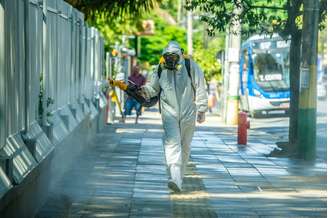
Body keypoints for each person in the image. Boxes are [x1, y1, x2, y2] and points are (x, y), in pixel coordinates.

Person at [140, 41, 208, 192]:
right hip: (168, 111)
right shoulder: (160, 68)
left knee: (184, 146)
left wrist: (202, 109)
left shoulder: (190, 66)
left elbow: (200, 86)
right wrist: (144, 90)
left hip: (188, 111)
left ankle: (178, 178)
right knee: (172, 143)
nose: (170, 60)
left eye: (174, 57)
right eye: (167, 57)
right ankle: (175, 176)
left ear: (180, 56)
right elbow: (153, 88)